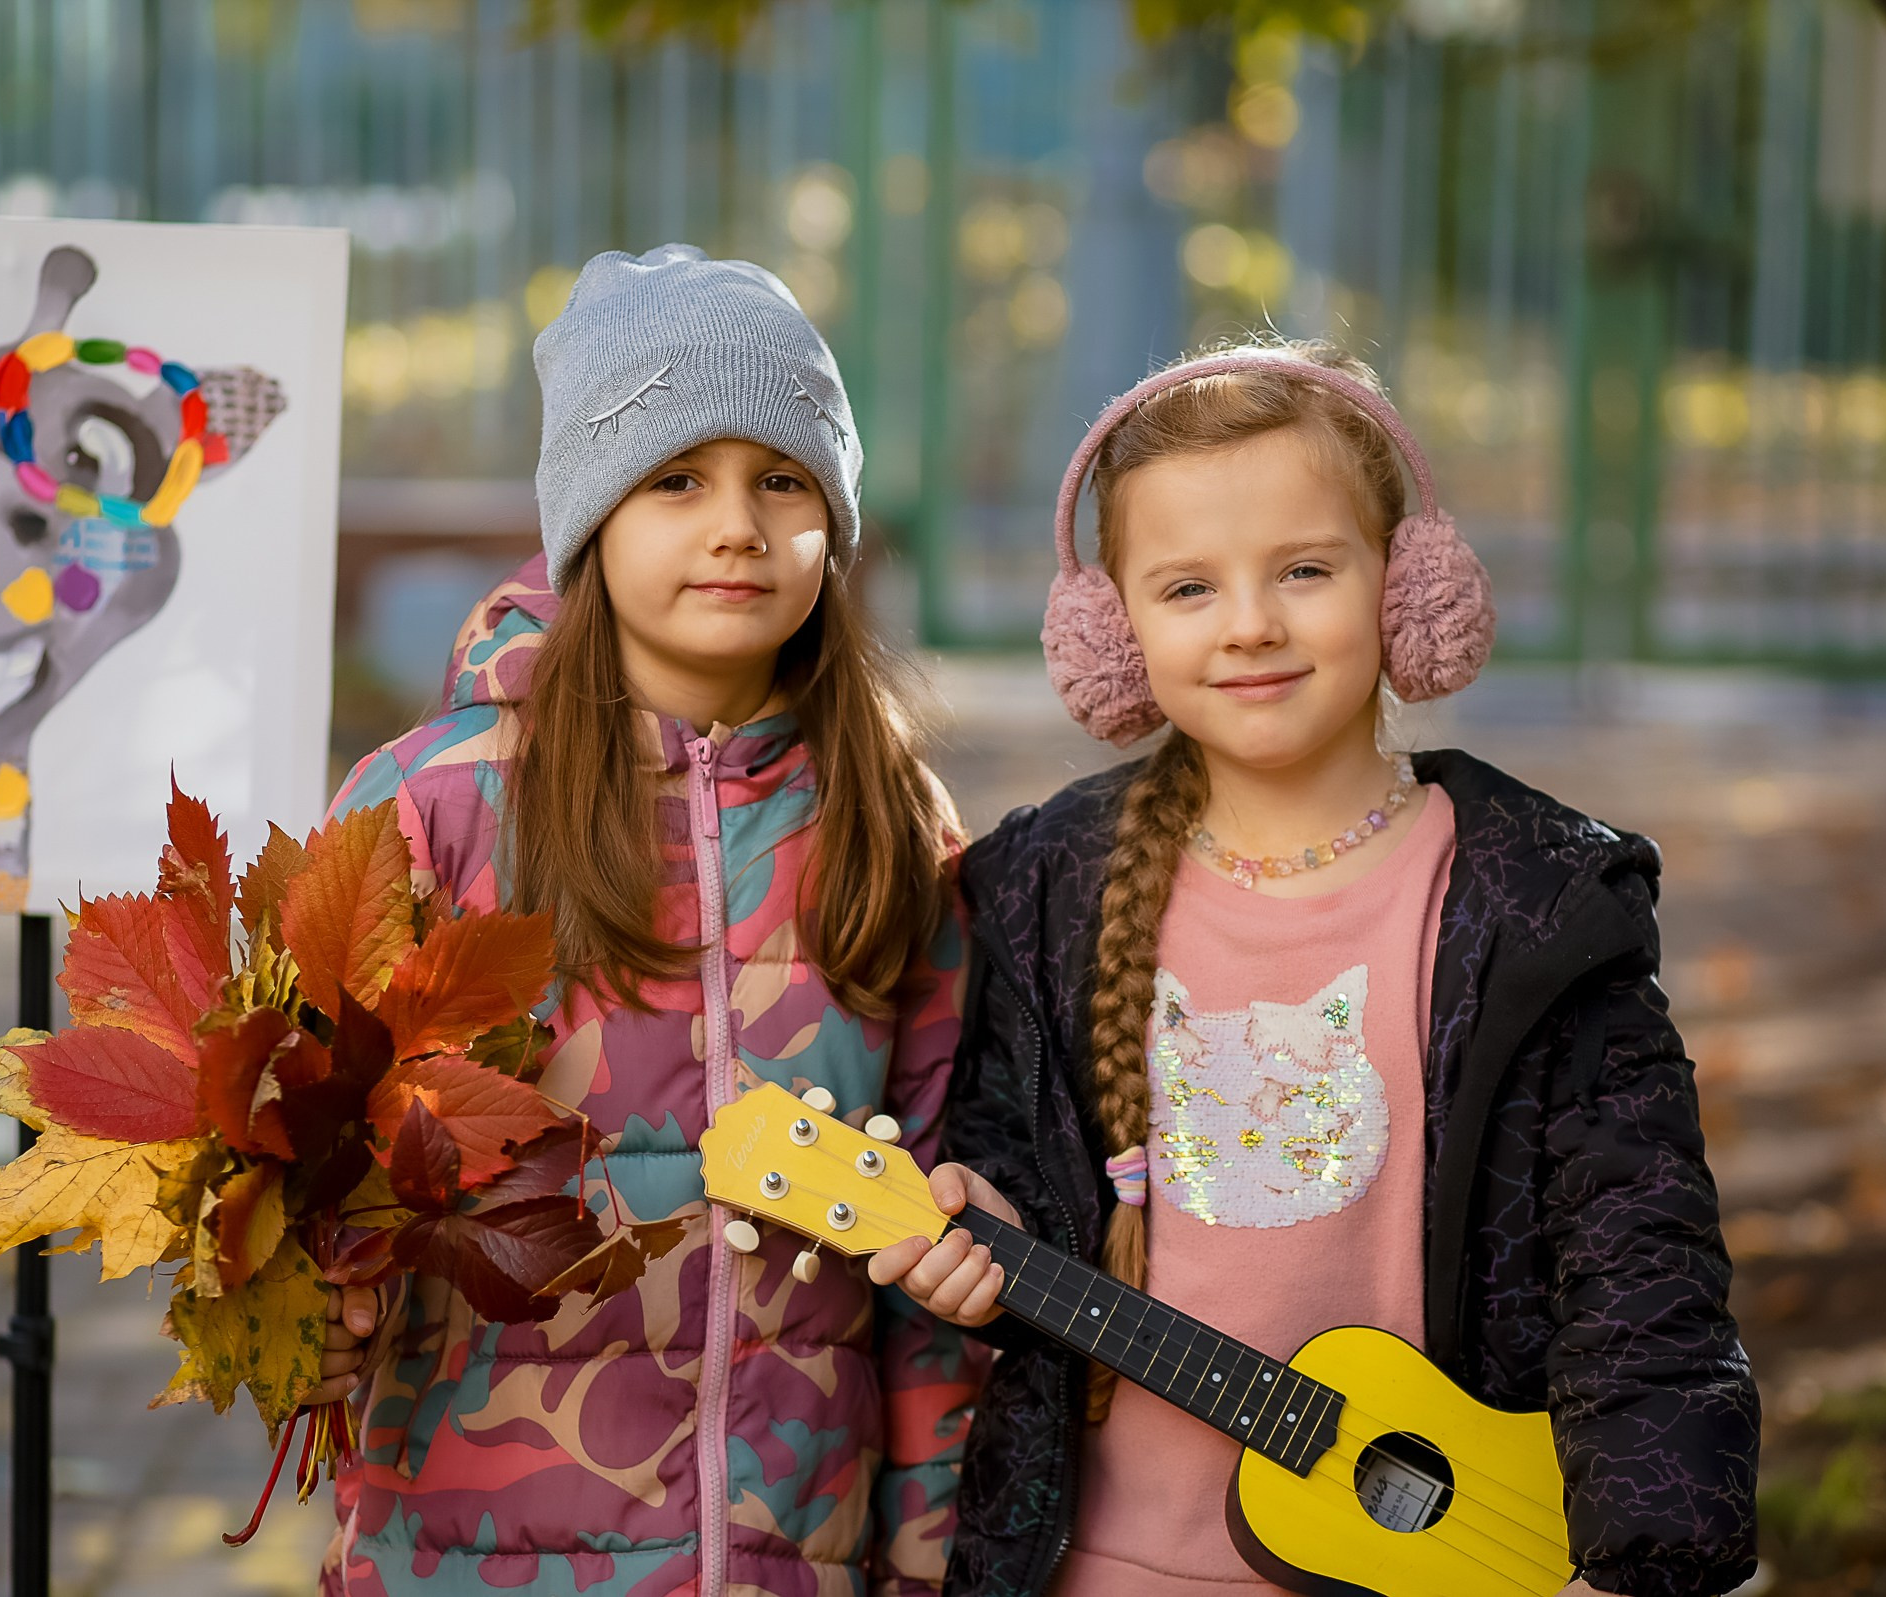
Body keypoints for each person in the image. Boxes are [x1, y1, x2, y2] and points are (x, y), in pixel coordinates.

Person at [870, 343, 1759, 1597]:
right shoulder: (1042, 891)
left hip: (1445, 1565)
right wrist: (987, 1252)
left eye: (1303, 568)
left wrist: (1643, 1560)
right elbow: (1018, 1185)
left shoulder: (1540, 907)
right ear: (1111, 628)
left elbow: (1642, 1271)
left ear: (1406, 586)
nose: (1251, 625)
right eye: (1186, 588)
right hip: (1107, 1569)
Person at [311, 244, 982, 1596]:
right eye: (676, 477)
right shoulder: (426, 807)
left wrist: (919, 1559)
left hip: (795, 1549)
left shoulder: (890, 817)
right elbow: (312, 1171)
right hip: (469, 1552)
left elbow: (930, 1232)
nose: (736, 524)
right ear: (588, 514)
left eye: (782, 480)